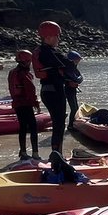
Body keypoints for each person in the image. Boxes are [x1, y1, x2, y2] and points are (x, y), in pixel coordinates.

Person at [34, 21, 76, 156]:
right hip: (54, 91)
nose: (58, 39)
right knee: (58, 125)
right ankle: (57, 156)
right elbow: (68, 65)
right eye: (57, 36)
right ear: (48, 37)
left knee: (58, 124)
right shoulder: (48, 52)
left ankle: (57, 154)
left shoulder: (43, 51)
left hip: (48, 90)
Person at [7, 50, 41, 161]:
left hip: (17, 103)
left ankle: (23, 152)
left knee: (22, 127)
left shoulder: (12, 72)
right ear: (26, 61)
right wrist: (36, 103)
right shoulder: (25, 74)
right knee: (33, 127)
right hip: (25, 104)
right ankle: (35, 154)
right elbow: (30, 90)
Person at [64, 50, 83, 133]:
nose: (78, 61)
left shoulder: (72, 67)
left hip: (70, 89)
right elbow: (78, 79)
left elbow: (79, 78)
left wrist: (78, 79)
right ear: (72, 60)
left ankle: (72, 125)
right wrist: (78, 79)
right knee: (74, 108)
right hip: (67, 90)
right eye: (77, 59)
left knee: (75, 108)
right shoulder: (69, 67)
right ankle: (71, 126)